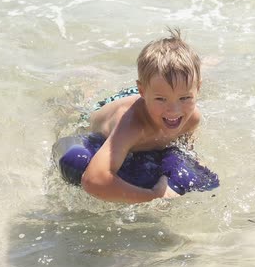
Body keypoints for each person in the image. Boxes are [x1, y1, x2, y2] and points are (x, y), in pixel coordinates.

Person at [79, 28, 204, 203]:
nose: (174, 111)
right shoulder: (132, 126)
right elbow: (93, 180)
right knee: (81, 105)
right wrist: (152, 196)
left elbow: (184, 152)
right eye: (162, 100)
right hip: (110, 107)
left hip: (150, 96)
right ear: (142, 91)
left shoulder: (191, 119)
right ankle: (89, 80)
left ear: (198, 88)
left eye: (185, 98)